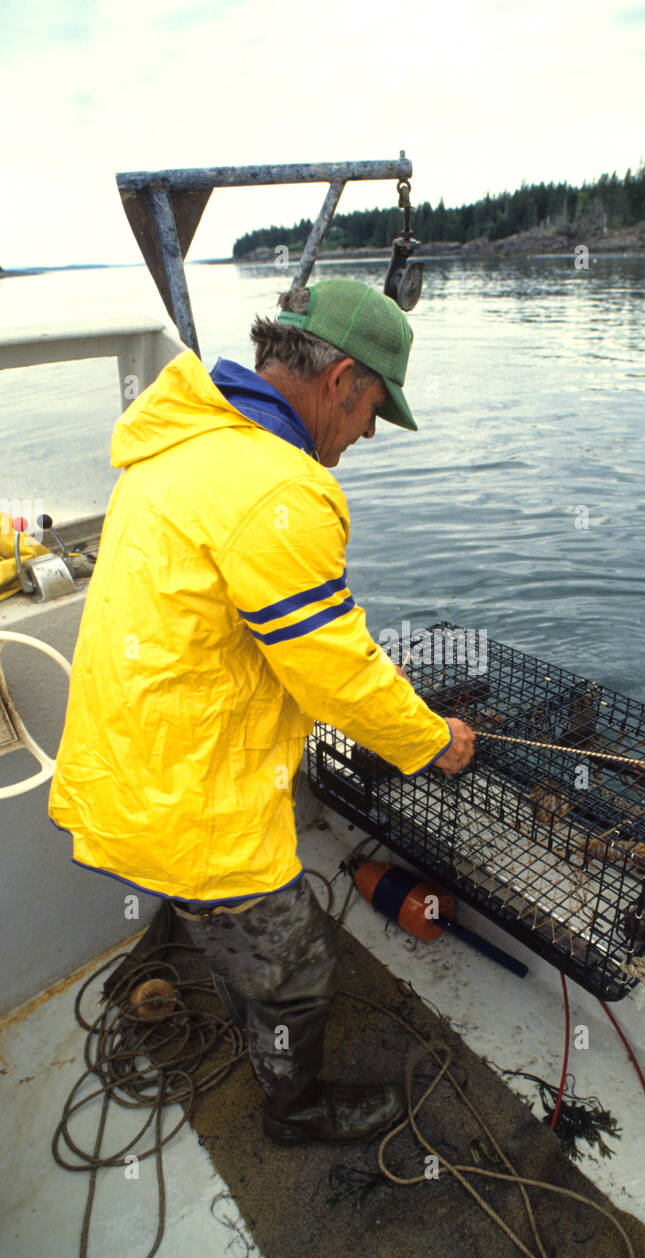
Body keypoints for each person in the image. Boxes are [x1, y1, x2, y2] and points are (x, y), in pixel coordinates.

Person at [48, 277, 475, 1145]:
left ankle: (213, 941)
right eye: (370, 413)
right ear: (341, 379)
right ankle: (296, 1109)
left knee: (236, 929)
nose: (361, 436)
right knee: (298, 966)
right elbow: (337, 677)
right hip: (189, 799)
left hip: (122, 762)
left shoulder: (185, 437)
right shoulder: (278, 488)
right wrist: (432, 741)